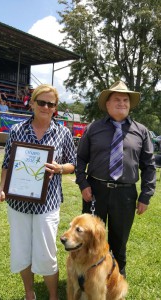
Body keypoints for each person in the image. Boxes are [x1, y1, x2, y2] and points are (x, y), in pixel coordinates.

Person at [0, 84, 76, 300]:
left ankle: (52, 296)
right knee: (21, 251)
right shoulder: (17, 130)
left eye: (51, 104)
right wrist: (2, 188)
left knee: (46, 254)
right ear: (32, 103)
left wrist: (59, 168)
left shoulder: (63, 132)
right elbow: (7, 164)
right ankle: (29, 294)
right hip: (19, 204)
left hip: (47, 204)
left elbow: (72, 164)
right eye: (41, 102)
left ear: (55, 108)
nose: (46, 107)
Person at [75, 80, 156, 277]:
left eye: (125, 100)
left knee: (119, 242)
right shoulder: (93, 128)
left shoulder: (141, 131)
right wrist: (83, 184)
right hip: (95, 192)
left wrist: (145, 196)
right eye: (117, 99)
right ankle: (87, 280)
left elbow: (149, 166)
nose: (122, 103)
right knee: (91, 240)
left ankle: (116, 283)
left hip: (126, 194)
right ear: (107, 104)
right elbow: (80, 158)